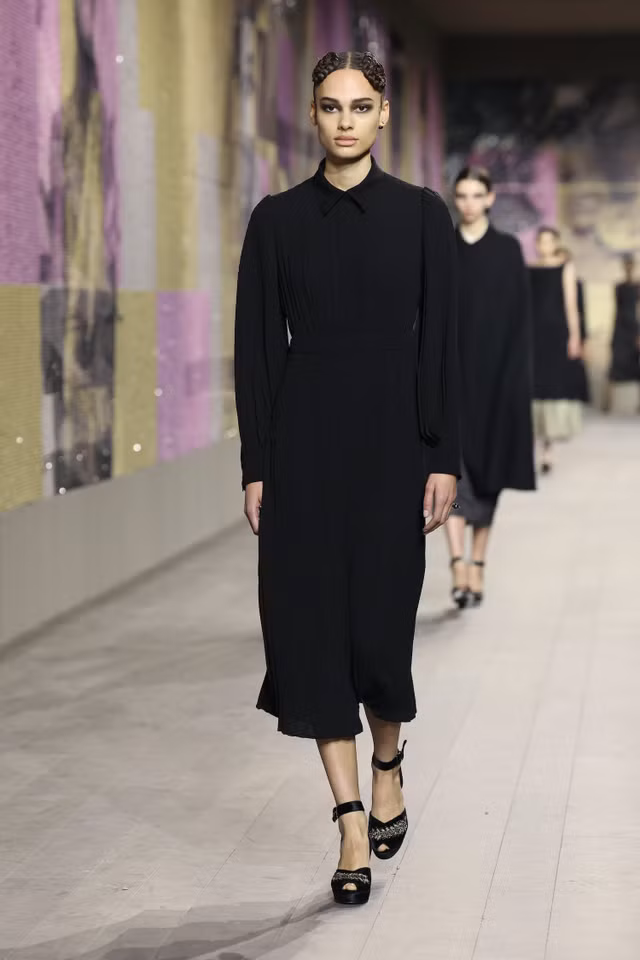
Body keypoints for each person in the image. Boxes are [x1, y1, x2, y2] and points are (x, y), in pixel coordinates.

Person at [234, 50, 459, 906]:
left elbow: (443, 342)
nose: (345, 121)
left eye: (360, 106)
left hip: (394, 448)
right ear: (314, 115)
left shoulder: (420, 215)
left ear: (383, 114)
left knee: (380, 632)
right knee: (310, 632)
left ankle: (388, 762)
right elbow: (257, 352)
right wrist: (258, 466)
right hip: (303, 451)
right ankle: (350, 820)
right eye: (331, 106)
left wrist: (443, 455)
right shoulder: (276, 221)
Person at [445, 167, 535, 609]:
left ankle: (478, 562)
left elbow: (520, 321)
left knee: (490, 476)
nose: (468, 203)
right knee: (450, 471)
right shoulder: (441, 247)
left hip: (497, 380)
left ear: (490, 198)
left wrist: (517, 382)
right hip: (450, 379)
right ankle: (457, 563)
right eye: (461, 195)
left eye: (475, 195)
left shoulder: (507, 250)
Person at [529, 227, 582, 473]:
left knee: (551, 388)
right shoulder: (529, 268)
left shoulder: (565, 267)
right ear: (536, 244)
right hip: (532, 335)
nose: (545, 245)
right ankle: (533, 445)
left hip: (556, 334)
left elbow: (571, 304)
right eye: (541, 241)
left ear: (557, 242)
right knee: (534, 388)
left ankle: (548, 449)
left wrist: (575, 336)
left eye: (550, 241)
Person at [557, 246, 590, 435]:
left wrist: (581, 337)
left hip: (572, 333)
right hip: (553, 332)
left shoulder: (577, 283)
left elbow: (580, 311)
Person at [609, 254, 640, 386]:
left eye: (630, 265)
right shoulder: (619, 287)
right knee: (616, 366)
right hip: (621, 328)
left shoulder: (637, 286)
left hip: (634, 327)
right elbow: (617, 310)